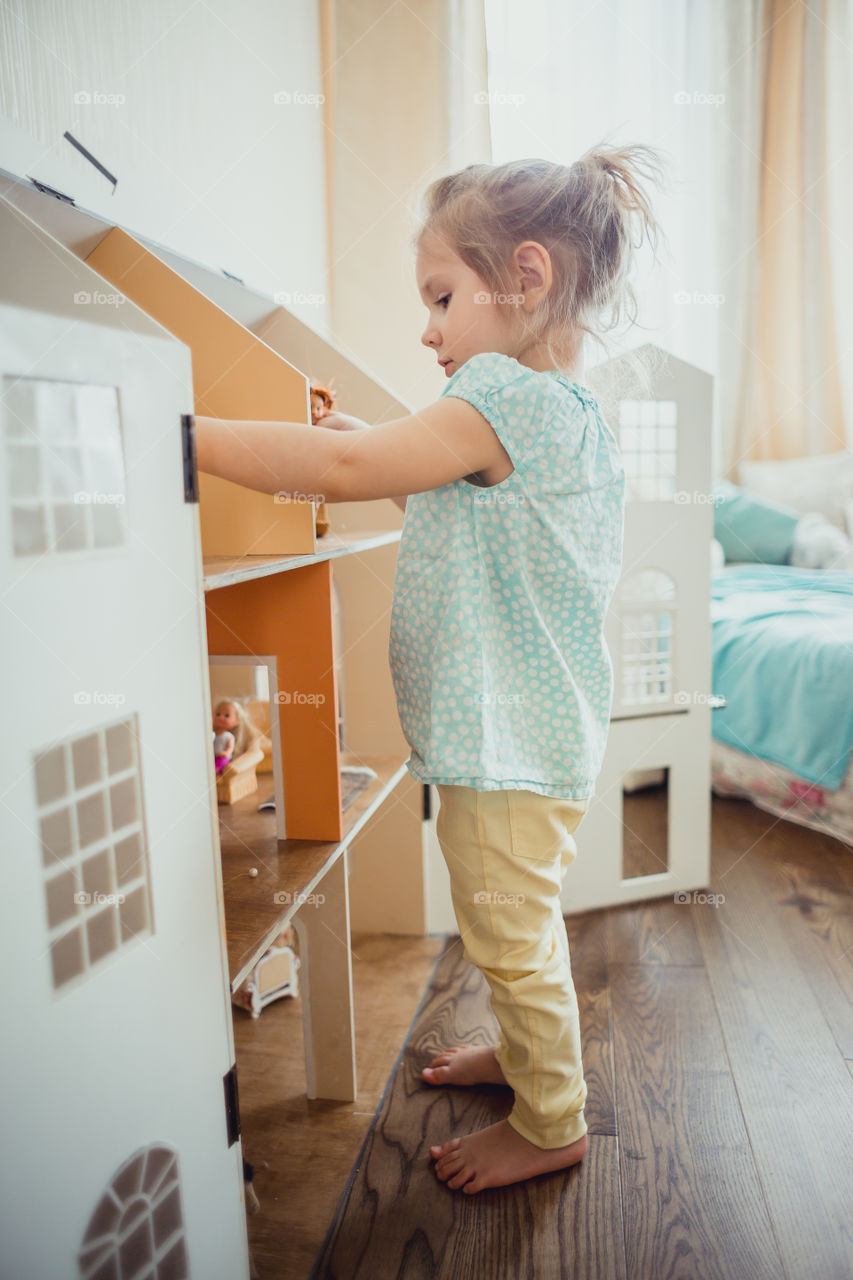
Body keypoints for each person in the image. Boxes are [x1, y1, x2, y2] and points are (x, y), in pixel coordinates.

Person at [194, 141, 666, 1194]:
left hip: (504, 744)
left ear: (527, 277)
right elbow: (448, 510)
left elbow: (357, 471)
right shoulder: (555, 417)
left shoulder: (502, 394)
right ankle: (521, 1053)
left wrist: (195, 436)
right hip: (519, 738)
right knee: (509, 916)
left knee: (506, 926)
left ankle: (554, 1117)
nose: (427, 326)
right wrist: (373, 435)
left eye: (442, 294)